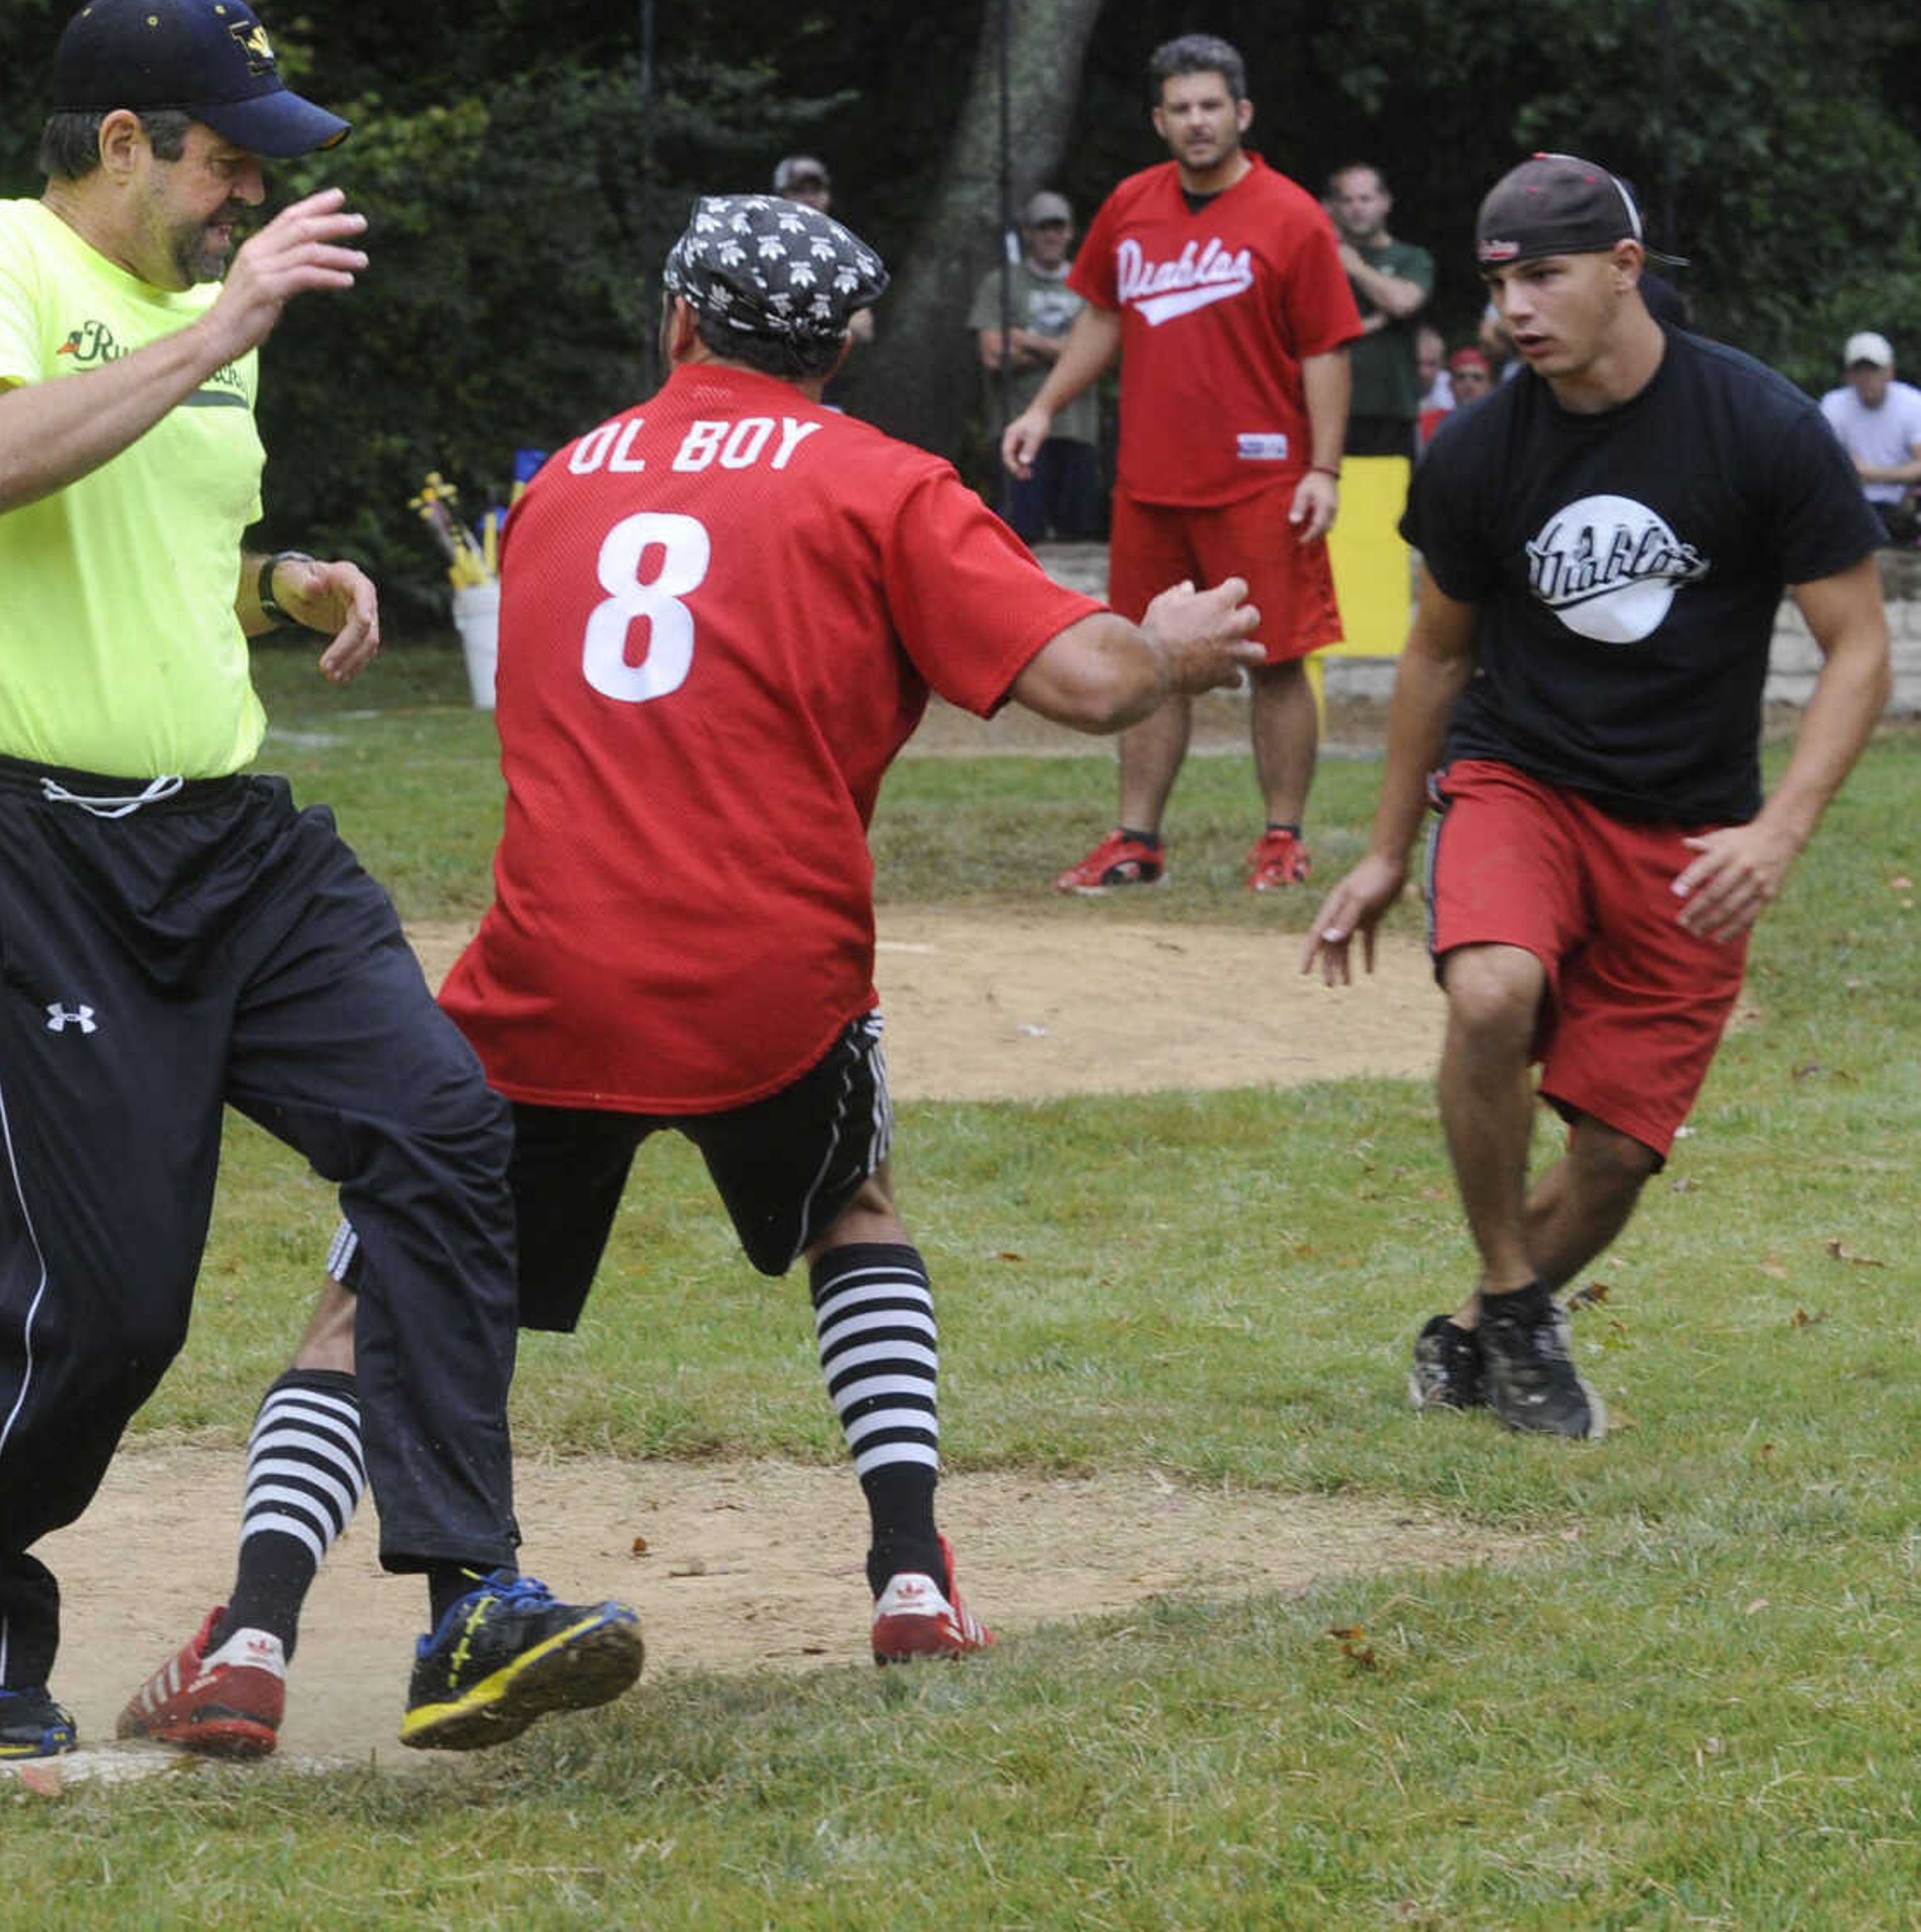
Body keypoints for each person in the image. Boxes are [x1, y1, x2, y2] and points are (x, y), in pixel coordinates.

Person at [113, 191, 1268, 1759]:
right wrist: (1174, 647)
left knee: (371, 1291)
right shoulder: (885, 483)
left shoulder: (564, 488)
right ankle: (912, 1579)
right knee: (851, 1206)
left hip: (547, 976)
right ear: (846, 346)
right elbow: (1082, 682)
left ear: (678, 321)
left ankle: (251, 1634)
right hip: (769, 980)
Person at [0, 0, 643, 1765]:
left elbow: (143, 524)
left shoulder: (205, 320)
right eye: (227, 161)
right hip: (25, 841)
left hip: (230, 841)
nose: (246, 198)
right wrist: (216, 331)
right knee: (112, 1306)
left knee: (448, 1133)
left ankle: (470, 1604)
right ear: (123, 142)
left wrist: (275, 576)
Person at [1305, 153, 1891, 1440]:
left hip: (1690, 823)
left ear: (1626, 270)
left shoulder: (1758, 425)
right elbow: (1437, 651)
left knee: (1619, 1149)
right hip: (1525, 778)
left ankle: (1473, 1329)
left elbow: (1859, 643)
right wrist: (1388, 848)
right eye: (1501, 279)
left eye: (1546, 274)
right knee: (1494, 989)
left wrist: (1778, 828)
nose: (1517, 305)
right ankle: (1521, 1303)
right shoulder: (1483, 450)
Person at [1001, 34, 1363, 895]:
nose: (1198, 122)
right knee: (1149, 656)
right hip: (1153, 482)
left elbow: (1326, 350)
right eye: (1181, 108)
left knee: (1277, 659)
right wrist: (1044, 408)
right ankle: (1136, 841)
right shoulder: (1131, 205)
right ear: (1159, 120)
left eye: (1212, 106)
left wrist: (1325, 468)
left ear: (1241, 114)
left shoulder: (1292, 215)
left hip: (1264, 479)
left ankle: (1281, 840)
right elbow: (1102, 319)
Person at [969, 188, 1104, 539]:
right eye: (1043, 227)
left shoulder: (1090, 284)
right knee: (1020, 538)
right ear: (1027, 232)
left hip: (1078, 431)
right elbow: (995, 355)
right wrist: (1069, 350)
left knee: (1079, 538)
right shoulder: (1001, 284)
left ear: (1072, 231)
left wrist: (1025, 339)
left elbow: (1103, 354)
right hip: (1016, 432)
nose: (1052, 235)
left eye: (1059, 226)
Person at [1326, 162, 1436, 459]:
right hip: (1327, 412)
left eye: (1365, 199)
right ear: (1334, 207)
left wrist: (1355, 267)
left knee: (1387, 504)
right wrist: (1375, 320)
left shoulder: (1411, 258)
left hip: (1392, 414)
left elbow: (1403, 302)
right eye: (1347, 200)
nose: (1357, 208)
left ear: (1386, 203)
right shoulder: (1320, 259)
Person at [1818, 332, 1921, 546]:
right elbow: (1820, 462)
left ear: (1889, 372)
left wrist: (1872, 474)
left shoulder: (1913, 403)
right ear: (1849, 376)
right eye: (1859, 371)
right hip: (1852, 506)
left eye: (1874, 370)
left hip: (1901, 505)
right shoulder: (1833, 405)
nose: (1867, 378)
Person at [772, 156, 874, 346]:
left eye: (817, 190)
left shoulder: (843, 252)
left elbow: (863, 328)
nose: (810, 199)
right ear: (780, 197)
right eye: (799, 191)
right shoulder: (760, 246)